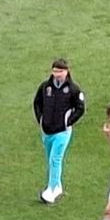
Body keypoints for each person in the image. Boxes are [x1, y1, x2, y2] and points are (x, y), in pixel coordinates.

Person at [33, 57, 85, 203]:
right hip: (47, 130)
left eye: (60, 71)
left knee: (55, 159)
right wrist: (40, 119)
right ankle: (58, 186)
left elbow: (80, 108)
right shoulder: (46, 87)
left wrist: (68, 122)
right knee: (50, 159)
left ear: (66, 72)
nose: (57, 74)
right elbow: (37, 102)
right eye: (55, 71)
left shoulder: (73, 89)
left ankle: (51, 189)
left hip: (62, 132)